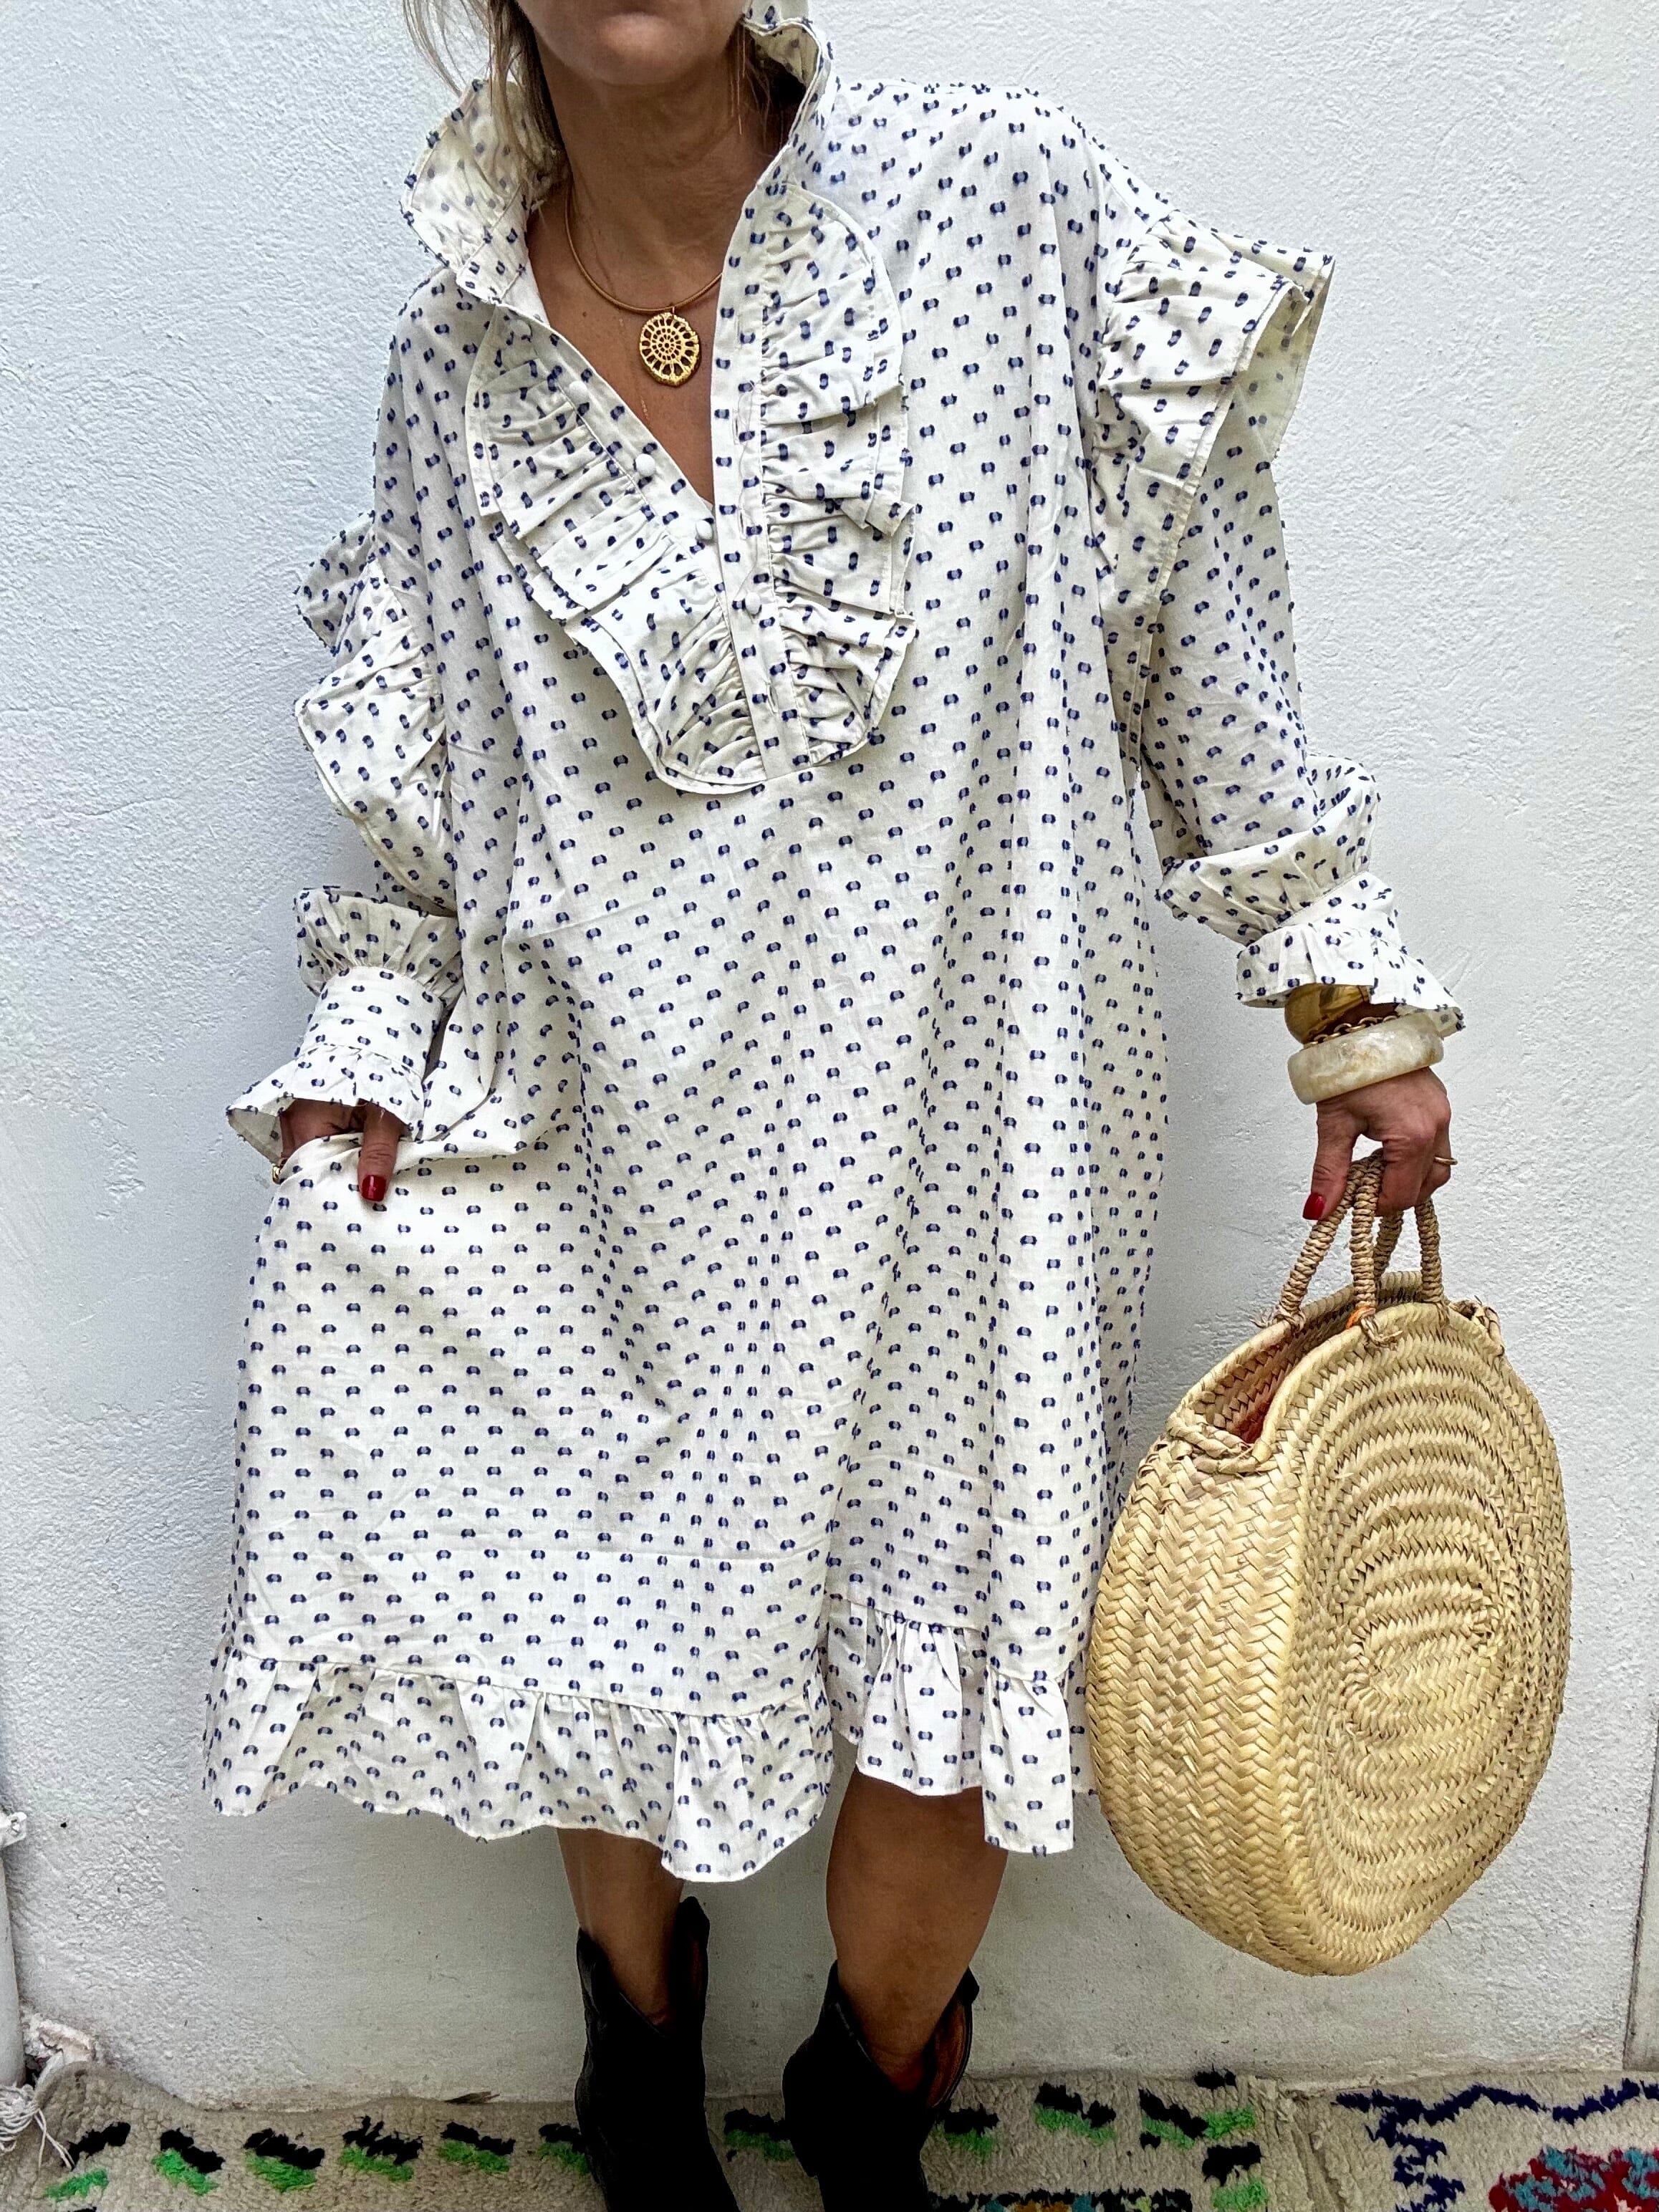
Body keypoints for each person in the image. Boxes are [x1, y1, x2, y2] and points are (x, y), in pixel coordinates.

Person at [203, 1, 1461, 2204]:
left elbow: (1200, 637)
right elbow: (428, 809)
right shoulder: (455, 358)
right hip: (597, 1139)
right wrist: (367, 1071)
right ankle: (635, 2043)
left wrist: (1346, 997)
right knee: (590, 1580)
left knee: (957, 1666)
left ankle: (869, 2092)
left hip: (980, 1121)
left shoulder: (998, 198)